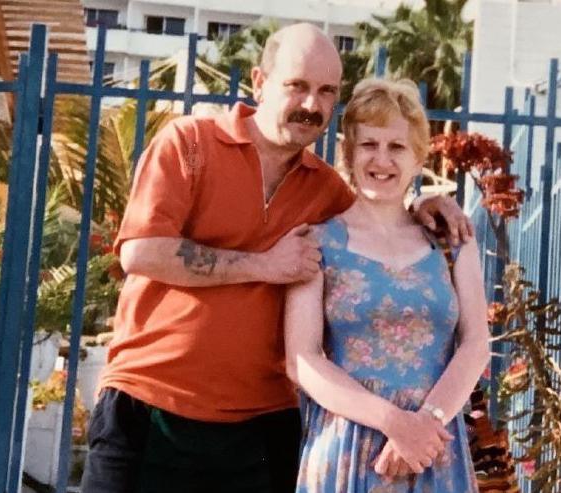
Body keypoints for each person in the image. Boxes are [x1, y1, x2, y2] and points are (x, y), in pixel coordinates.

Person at [80, 23, 473, 493]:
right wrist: (265, 264)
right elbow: (142, 252)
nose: (312, 104)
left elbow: (378, 213)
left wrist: (424, 206)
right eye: (298, 86)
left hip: (259, 426)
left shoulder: (325, 190)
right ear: (260, 82)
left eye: (327, 92)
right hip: (148, 403)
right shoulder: (190, 144)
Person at [284, 78, 490, 492]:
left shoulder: (452, 242)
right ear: (348, 154)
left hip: (434, 449)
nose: (382, 159)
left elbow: (476, 344)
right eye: (368, 145)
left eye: (396, 147)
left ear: (418, 158)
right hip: (347, 448)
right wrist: (396, 424)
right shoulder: (317, 243)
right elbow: (302, 360)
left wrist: (425, 426)